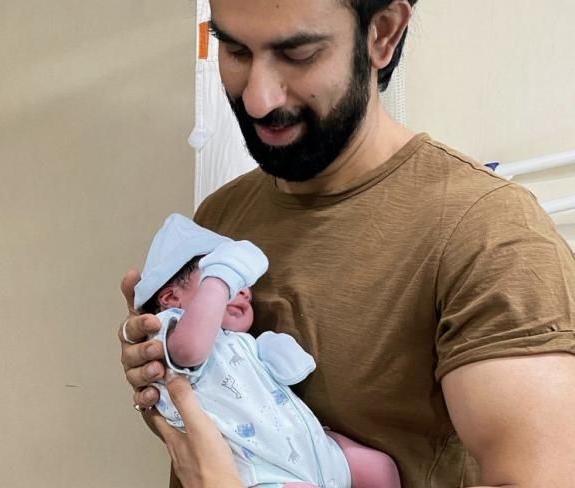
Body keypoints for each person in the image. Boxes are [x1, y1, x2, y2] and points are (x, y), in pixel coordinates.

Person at [119, 0, 575, 486]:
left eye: (298, 54)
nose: (257, 100)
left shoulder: (490, 232)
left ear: (383, 33)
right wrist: (159, 381)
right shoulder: (219, 218)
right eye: (235, 50)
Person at [134, 213, 400, 488]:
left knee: (380, 468)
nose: (244, 291)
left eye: (244, 284)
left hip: (311, 448)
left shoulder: (242, 342)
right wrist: (221, 279)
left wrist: (276, 355)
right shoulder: (170, 330)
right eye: (223, 277)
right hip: (260, 473)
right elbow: (189, 351)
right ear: (170, 297)